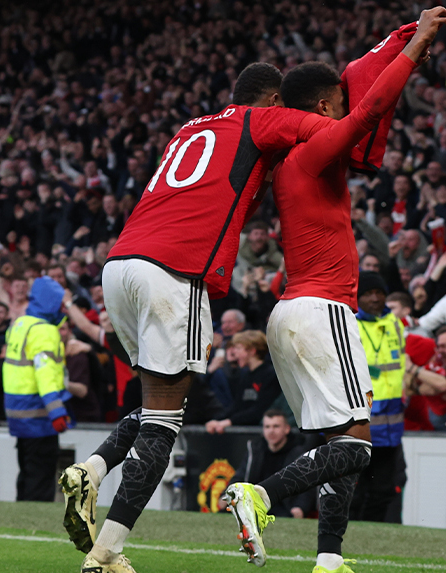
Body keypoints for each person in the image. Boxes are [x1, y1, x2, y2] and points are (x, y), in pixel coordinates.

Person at [57, 62, 335, 573]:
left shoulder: (193, 127)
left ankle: (91, 470)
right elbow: (333, 129)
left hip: (120, 265)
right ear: (271, 101)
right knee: (166, 422)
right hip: (174, 271)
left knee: (153, 404)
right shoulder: (262, 119)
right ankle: (106, 555)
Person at [224, 7, 446, 573]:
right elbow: (368, 109)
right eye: (337, 106)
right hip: (322, 310)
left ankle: (328, 557)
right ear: (323, 108)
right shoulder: (310, 152)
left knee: (334, 448)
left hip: (292, 312)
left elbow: (362, 95)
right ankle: (261, 496)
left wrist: (398, 44)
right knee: (359, 445)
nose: (346, 113)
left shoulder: (289, 162)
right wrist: (415, 45)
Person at [2, 276, 71, 502]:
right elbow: (45, 373)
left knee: (26, 473)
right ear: (50, 302)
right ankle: (33, 526)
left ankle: (20, 526)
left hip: (17, 413)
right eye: (60, 302)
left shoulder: (20, 324)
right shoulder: (45, 331)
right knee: (40, 479)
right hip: (39, 416)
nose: (63, 307)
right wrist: (57, 411)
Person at [350, 271, 406, 523]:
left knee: (384, 486)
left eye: (379, 293)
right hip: (359, 414)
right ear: (358, 298)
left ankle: (374, 529)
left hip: (390, 420)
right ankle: (353, 529)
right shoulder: (349, 324)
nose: (375, 298)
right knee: (354, 485)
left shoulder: (395, 323)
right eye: (368, 293)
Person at [236, 409, 314, 519]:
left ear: (286, 429)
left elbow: (308, 484)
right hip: (256, 504)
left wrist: (300, 507)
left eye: (276, 426)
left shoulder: (299, 452)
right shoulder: (255, 449)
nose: (271, 431)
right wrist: (227, 495)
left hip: (285, 507)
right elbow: (241, 475)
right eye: (267, 427)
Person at [204, 331, 280, 433]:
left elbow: (259, 411)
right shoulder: (245, 375)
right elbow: (237, 406)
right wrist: (216, 420)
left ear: (252, 351)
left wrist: (228, 422)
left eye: (239, 348)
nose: (235, 353)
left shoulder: (270, 375)